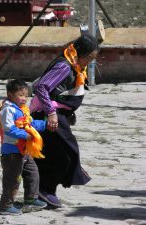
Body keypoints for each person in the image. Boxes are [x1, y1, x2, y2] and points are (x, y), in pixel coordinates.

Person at [30, 34, 99, 208]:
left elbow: (62, 92)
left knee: (52, 152)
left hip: (57, 115)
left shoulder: (74, 67)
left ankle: (41, 190)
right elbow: (41, 87)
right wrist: (52, 112)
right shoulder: (64, 66)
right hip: (47, 116)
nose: (90, 62)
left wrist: (67, 112)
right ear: (80, 53)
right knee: (68, 151)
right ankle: (44, 189)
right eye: (89, 58)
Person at [0, 79, 48, 215]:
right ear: (10, 95)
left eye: (26, 95)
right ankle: (6, 206)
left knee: (32, 173)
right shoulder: (8, 110)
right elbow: (9, 129)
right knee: (13, 179)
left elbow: (30, 124)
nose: (24, 98)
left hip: (25, 151)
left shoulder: (23, 110)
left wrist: (45, 124)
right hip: (12, 152)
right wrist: (26, 136)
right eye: (20, 95)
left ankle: (31, 199)